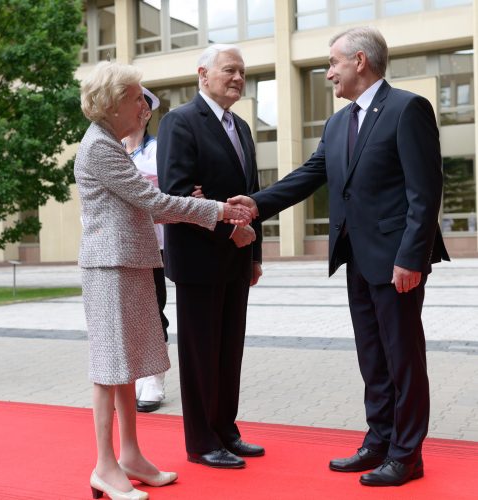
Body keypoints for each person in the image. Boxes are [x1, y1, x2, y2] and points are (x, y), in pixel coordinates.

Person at [229, 26, 450, 487]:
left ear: (360, 62)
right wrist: (258, 202)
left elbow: (425, 193)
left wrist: (412, 257)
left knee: (403, 359)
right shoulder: (337, 123)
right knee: (373, 356)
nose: (328, 73)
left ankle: (407, 455)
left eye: (333, 63)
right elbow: (310, 174)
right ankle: (379, 440)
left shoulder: (407, 108)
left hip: (396, 262)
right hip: (354, 256)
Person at [74, 60, 252, 500]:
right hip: (110, 268)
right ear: (113, 103)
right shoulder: (98, 146)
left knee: (128, 367)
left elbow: (147, 202)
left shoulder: (111, 143)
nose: (145, 107)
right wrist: (217, 210)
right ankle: (104, 465)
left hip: (130, 264)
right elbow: (151, 202)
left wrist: (193, 205)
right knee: (109, 370)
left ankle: (130, 455)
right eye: (137, 99)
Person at [156, 44, 264, 469]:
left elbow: (251, 196)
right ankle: (201, 442)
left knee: (229, 350)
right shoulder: (179, 122)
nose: (238, 77)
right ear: (203, 73)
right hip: (200, 260)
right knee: (201, 353)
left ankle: (226, 431)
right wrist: (229, 228)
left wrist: (253, 252)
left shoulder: (241, 126)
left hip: (238, 259)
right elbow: (177, 194)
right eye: (229, 70)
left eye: (242, 71)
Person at [123, 87, 169, 414]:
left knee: (153, 308)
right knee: (127, 312)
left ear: (148, 112)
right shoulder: (111, 151)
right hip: (121, 246)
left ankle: (154, 379)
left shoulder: (158, 151)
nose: (135, 109)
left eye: (141, 103)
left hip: (155, 243)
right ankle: (134, 374)